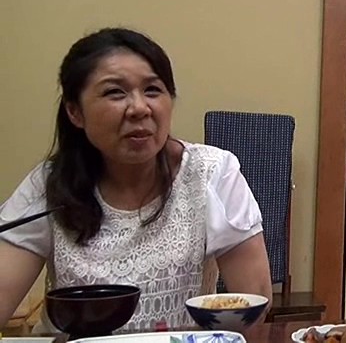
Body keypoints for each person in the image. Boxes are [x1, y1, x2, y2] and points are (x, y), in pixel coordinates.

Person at [0, 28, 273, 332]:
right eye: (115, 92)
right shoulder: (49, 184)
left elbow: (254, 304)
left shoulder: (211, 172)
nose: (140, 108)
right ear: (75, 112)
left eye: (153, 90)